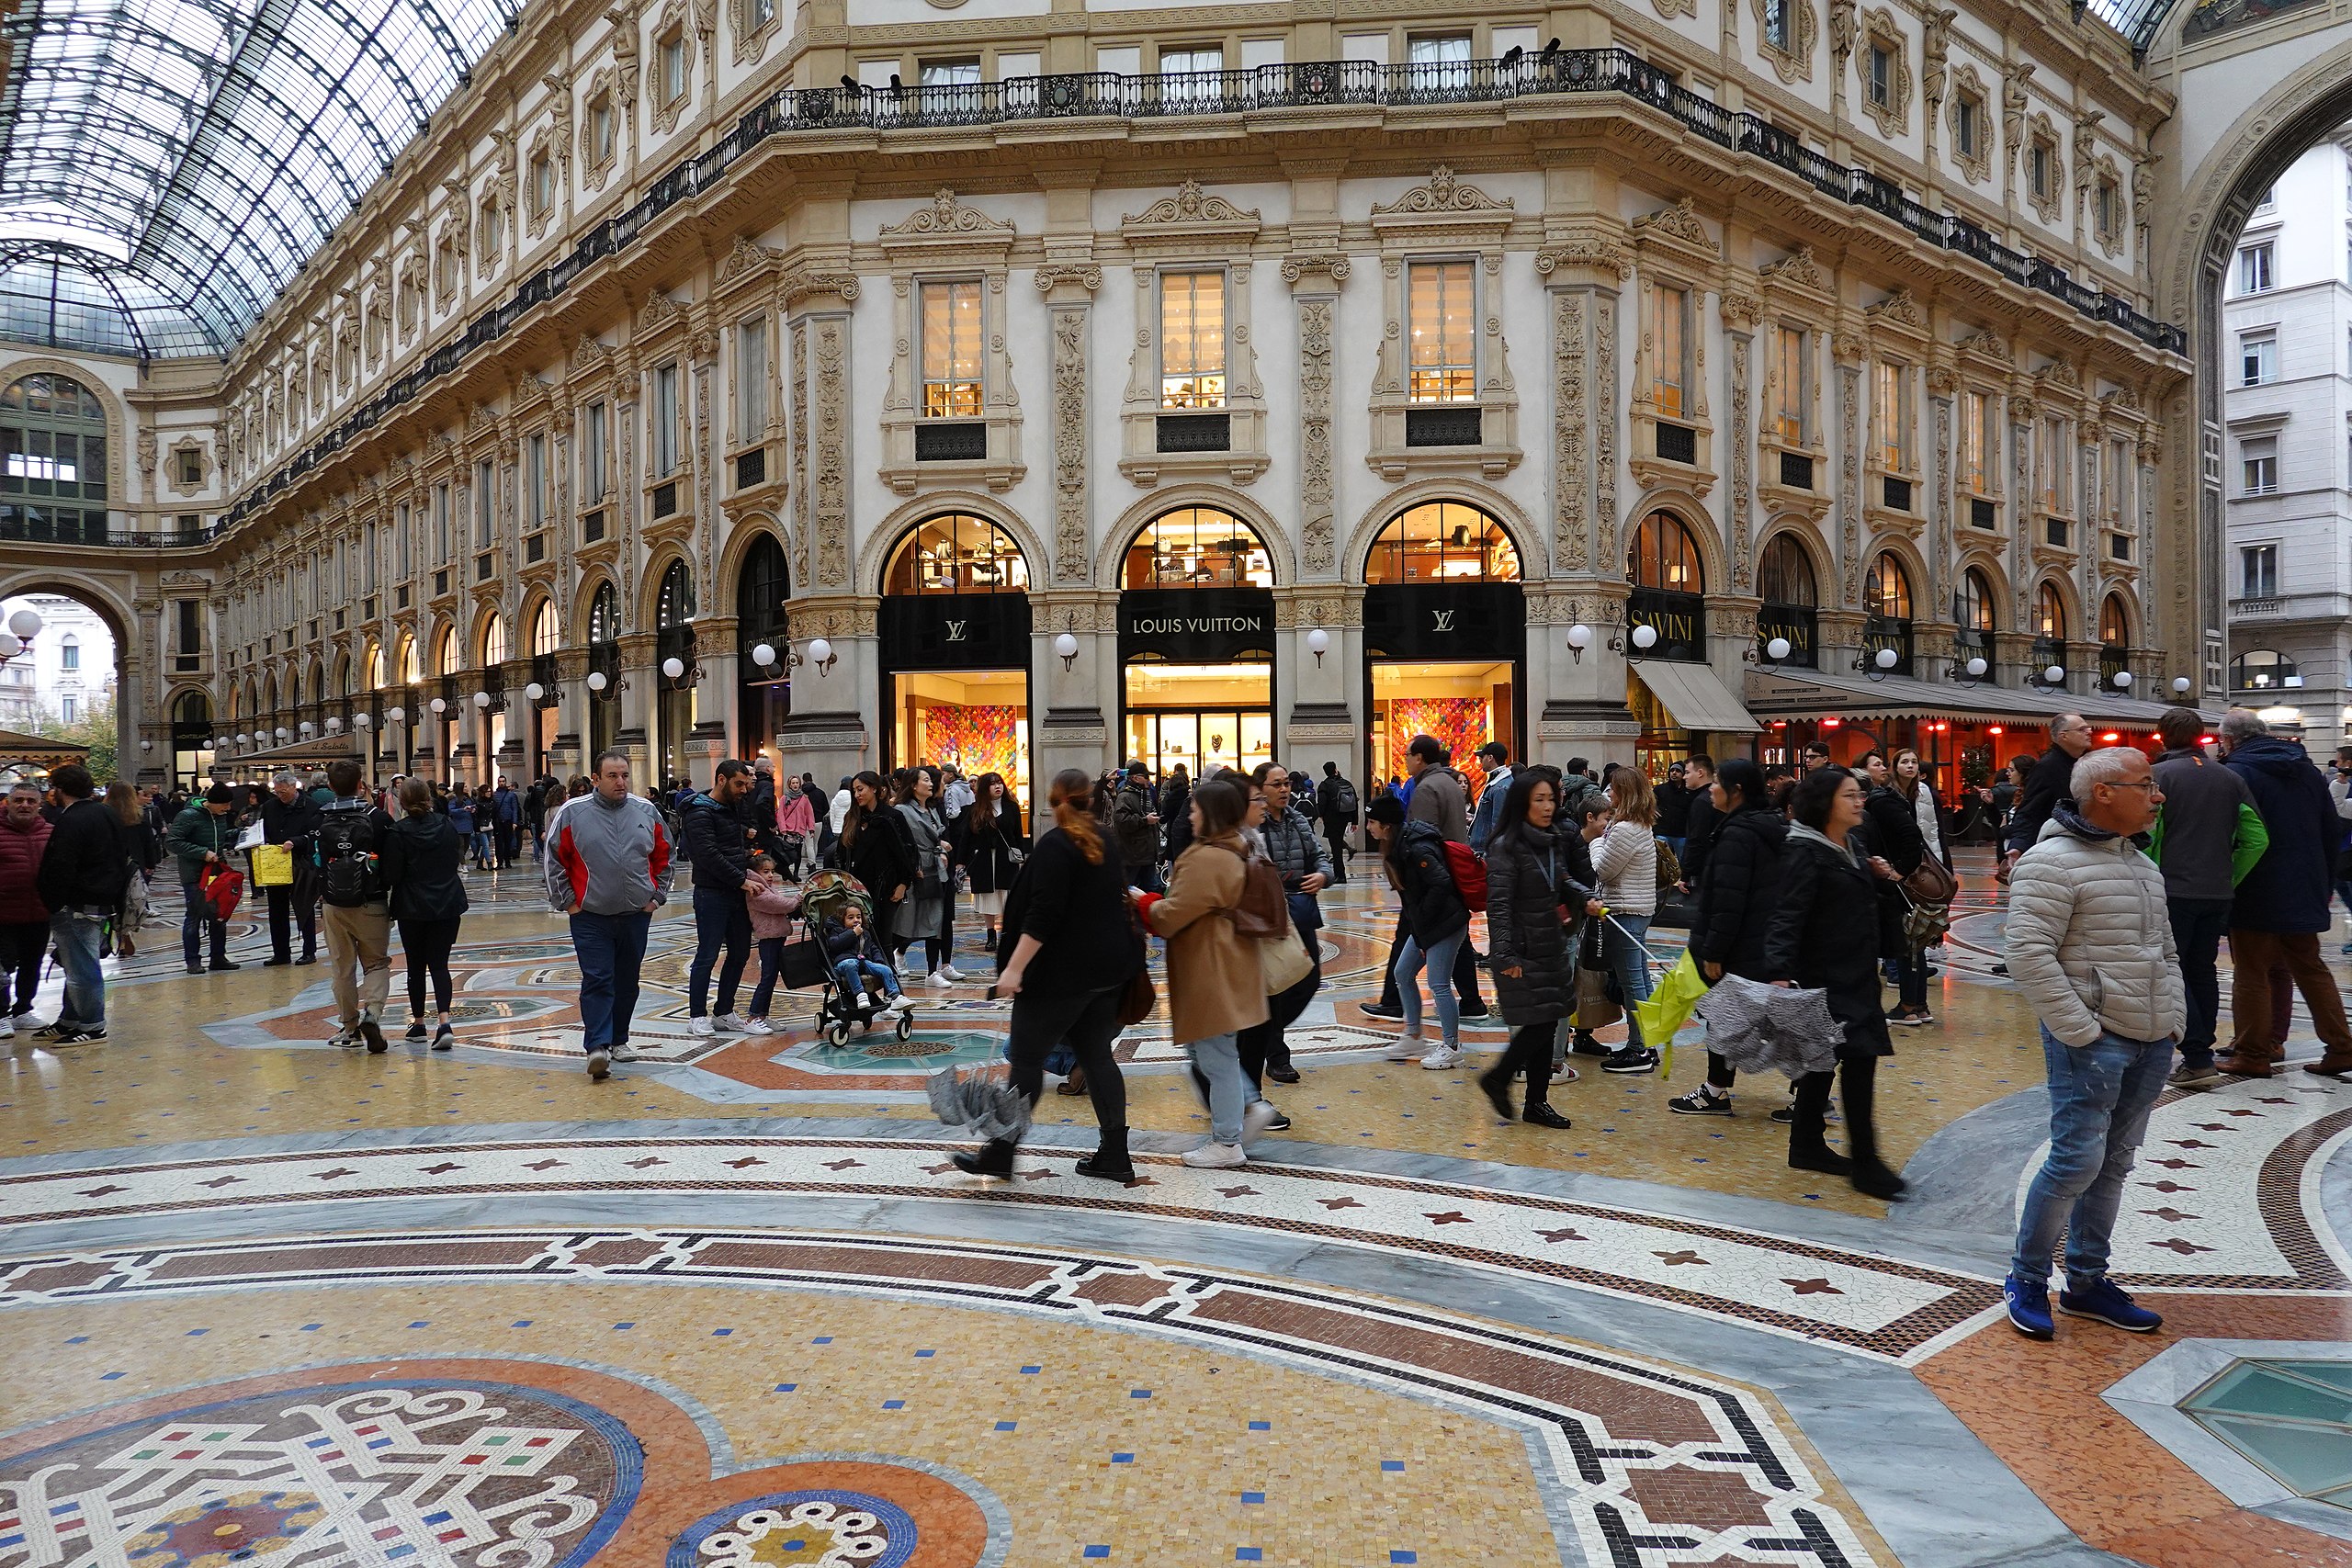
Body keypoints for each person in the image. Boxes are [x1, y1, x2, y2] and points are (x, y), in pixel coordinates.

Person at [2001, 745, 2185, 1340]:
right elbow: (2028, 954)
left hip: (2151, 1036)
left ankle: (2085, 1281)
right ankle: (2027, 1278)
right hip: (2093, 1039)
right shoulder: (2050, 862)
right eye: (2145, 784)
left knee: (2115, 1162)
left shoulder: (2141, 863)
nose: (2157, 795)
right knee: (2076, 1159)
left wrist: (2173, 1018)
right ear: (2103, 792)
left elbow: (2166, 949)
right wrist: (2080, 1028)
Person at [952, 768, 1145, 1181]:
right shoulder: (1104, 840)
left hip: (1060, 978)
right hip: (1107, 973)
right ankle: (1115, 1154)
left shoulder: (1057, 845)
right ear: (1090, 801)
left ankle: (1001, 1152)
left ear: (1056, 802)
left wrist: (1014, 970)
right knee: (1096, 1057)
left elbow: (1043, 916)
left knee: (1025, 1060)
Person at [1762, 766, 1905, 1200]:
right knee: (1859, 1059)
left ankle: (1806, 1143)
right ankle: (1866, 1162)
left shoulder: (1851, 845)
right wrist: (1779, 975)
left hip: (1856, 970)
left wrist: (1876, 876)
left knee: (1821, 1061)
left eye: (1860, 794)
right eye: (1850, 796)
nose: (1860, 801)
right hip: (1825, 977)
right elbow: (1787, 914)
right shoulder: (1804, 851)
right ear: (1825, 803)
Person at [1138, 775, 1274, 1168]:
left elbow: (1172, 915)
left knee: (1216, 1057)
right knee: (1210, 1051)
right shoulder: (1236, 848)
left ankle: (1228, 1141)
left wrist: (1145, 902)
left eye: (1196, 808)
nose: (1190, 815)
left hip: (1210, 967)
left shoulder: (1205, 858)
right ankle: (1248, 1106)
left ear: (1212, 813)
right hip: (1228, 961)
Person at [2215, 708, 2352, 1077]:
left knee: (2252, 971)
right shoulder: (2306, 770)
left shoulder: (2235, 773)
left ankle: (2253, 1053)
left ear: (2228, 740)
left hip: (2256, 885)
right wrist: (2322, 881)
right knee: (2310, 967)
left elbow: (2232, 835)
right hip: (2304, 882)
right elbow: (2331, 827)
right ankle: (2341, 1047)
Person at [2150, 707, 2267, 1089]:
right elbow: (2256, 838)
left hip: (2172, 891)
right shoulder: (2230, 777)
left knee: (2172, 970)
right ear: (2202, 735)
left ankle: (2197, 1056)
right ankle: (2203, 1050)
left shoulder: (2159, 776)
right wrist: (2229, 876)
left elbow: (2150, 836)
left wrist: (2149, 877)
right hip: (2216, 893)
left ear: (2164, 737)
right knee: (2202, 970)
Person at [546, 749, 674, 1080]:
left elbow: (666, 855)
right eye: (613, 776)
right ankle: (597, 1046)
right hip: (591, 915)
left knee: (627, 980)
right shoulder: (573, 812)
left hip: (635, 913)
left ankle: (619, 1039)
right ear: (596, 779)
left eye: (625, 775)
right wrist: (570, 903)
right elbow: (555, 859)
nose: (621, 782)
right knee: (598, 978)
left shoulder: (646, 811)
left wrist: (656, 897)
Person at [1670, 759, 1786, 1116]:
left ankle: (1714, 1092)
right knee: (1765, 1018)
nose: (1711, 789)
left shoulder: (1737, 834)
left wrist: (1714, 951)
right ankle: (1806, 1093)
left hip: (1738, 946)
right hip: (1760, 940)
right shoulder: (1767, 825)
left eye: (1717, 782)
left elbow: (1727, 900)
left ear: (1736, 791)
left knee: (1724, 1016)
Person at [1480, 771, 1587, 1128]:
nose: (1547, 806)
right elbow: (1498, 905)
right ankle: (1498, 1077)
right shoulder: (1505, 846)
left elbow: (1561, 881)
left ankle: (1536, 1103)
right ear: (1521, 803)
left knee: (1549, 1019)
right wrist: (1505, 954)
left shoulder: (1550, 839)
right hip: (1522, 950)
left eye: (1551, 799)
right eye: (1538, 800)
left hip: (1550, 943)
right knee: (1540, 1026)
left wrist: (1582, 897)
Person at [1369, 793, 1474, 1070]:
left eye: (1372, 822)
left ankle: (1452, 1047)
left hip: (1447, 923)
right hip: (1429, 923)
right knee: (1402, 973)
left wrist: (1425, 928)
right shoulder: (1398, 846)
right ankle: (1414, 1035)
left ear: (1387, 826)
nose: (1368, 827)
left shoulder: (1416, 848)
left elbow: (1440, 884)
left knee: (1438, 983)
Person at [1241, 761, 1329, 1090]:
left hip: (1300, 911)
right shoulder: (1253, 824)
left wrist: (1323, 874)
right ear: (1260, 789)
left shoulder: (1299, 819)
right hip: (1269, 915)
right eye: (1276, 784)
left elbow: (1319, 856)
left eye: (1286, 783)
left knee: (1309, 977)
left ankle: (1269, 1037)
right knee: (1273, 986)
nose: (1284, 789)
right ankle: (1277, 1055)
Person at [32, 765, 124, 1046]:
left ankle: (94, 1026)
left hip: (75, 904)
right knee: (77, 964)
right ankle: (70, 1020)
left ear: (59, 790)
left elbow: (61, 865)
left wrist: (53, 900)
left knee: (82, 968)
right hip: (100, 900)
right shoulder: (106, 812)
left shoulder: (71, 820)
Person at [313, 760, 398, 1052]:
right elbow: (393, 861)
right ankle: (372, 1013)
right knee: (376, 962)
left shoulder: (320, 818)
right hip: (372, 900)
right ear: (361, 784)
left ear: (331, 787)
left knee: (342, 968)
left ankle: (350, 1028)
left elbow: (314, 861)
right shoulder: (377, 818)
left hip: (334, 903)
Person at [380, 775, 469, 1050]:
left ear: (402, 802)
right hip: (447, 903)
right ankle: (444, 1022)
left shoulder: (397, 833)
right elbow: (455, 858)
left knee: (416, 966)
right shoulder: (446, 826)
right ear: (429, 799)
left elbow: (391, 875)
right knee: (440, 965)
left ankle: (419, 1023)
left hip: (412, 906)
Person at [679, 759, 757, 1037]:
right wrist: (741, 879)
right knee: (708, 954)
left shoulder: (733, 808)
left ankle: (724, 1011)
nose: (743, 790)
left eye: (746, 785)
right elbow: (707, 855)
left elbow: (734, 846)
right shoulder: (699, 811)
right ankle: (697, 1015)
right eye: (738, 784)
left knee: (740, 953)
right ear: (721, 780)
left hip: (736, 891)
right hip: (712, 892)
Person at [1592, 767, 1663, 1074]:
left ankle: (1640, 1049)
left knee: (1632, 983)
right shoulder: (1641, 823)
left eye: (1614, 789)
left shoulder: (1623, 829)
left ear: (1624, 792)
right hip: (1639, 910)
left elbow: (1604, 870)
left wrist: (1595, 844)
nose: (1610, 793)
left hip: (1625, 912)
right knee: (1640, 981)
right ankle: (1647, 1043)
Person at [1857, 750, 1933, 1028]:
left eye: (1914, 761)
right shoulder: (1898, 798)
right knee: (1914, 942)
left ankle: (1909, 1006)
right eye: (1905, 761)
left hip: (1898, 881)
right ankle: (1917, 1005)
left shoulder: (1884, 802)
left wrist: (1899, 872)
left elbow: (1914, 836)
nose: (1910, 766)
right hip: (1904, 878)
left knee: (1907, 942)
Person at [891, 768, 960, 985]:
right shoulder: (902, 811)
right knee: (908, 921)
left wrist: (939, 850)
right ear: (913, 785)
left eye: (931, 781)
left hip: (935, 870)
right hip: (916, 870)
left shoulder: (931, 810)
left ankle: (933, 972)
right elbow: (902, 841)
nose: (931, 784)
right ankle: (893, 956)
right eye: (926, 780)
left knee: (936, 919)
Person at [165, 783, 243, 976]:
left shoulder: (221, 817)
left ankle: (218, 957)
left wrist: (240, 834)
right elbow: (172, 842)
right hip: (195, 875)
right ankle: (193, 960)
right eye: (224, 804)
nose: (228, 808)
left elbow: (219, 838)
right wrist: (201, 853)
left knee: (219, 914)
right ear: (212, 802)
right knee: (194, 915)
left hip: (217, 874)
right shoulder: (188, 816)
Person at [2003, 714, 2092, 874]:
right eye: (2082, 729)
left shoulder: (2088, 763)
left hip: (2088, 844)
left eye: (2088, 728)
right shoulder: (2048, 767)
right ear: (2063, 735)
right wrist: (2019, 844)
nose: (2089, 732)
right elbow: (2030, 810)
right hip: (2061, 849)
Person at [949, 772, 1023, 953]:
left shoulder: (1011, 807)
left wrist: (1020, 856)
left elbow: (1018, 835)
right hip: (983, 859)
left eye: (1000, 783)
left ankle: (1007, 934)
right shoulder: (975, 809)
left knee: (1008, 896)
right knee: (988, 897)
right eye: (993, 784)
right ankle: (991, 934)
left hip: (1006, 859)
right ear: (985, 788)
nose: (998, 787)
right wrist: (960, 862)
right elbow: (966, 837)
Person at [0, 781, 52, 1034]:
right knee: (3, 964)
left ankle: (23, 1009)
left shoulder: (51, 832)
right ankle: (0, 1013)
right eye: (19, 800)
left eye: (31, 801)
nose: (25, 805)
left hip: (39, 912)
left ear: (39, 805)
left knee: (32, 963)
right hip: (4, 913)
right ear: (8, 803)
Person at [840, 771, 914, 943]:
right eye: (854, 791)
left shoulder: (892, 817)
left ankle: (887, 970)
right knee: (862, 935)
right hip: (858, 886)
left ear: (874, 789)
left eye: (860, 789)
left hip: (887, 885)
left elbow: (906, 851)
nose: (857, 795)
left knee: (883, 936)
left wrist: (904, 883)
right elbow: (842, 852)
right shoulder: (852, 818)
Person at [258, 772, 322, 967]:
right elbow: (262, 830)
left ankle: (309, 951)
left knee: (304, 906)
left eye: (283, 792)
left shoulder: (311, 807)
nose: (280, 796)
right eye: (277, 792)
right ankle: (281, 953)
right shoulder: (269, 807)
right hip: (275, 863)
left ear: (295, 787)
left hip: (301, 864)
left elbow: (317, 835)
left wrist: (296, 841)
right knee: (276, 910)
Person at [739, 852, 803, 1035]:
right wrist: (799, 898)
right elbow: (782, 904)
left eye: (772, 871)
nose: (770, 875)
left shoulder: (765, 887)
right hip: (769, 939)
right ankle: (753, 1017)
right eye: (765, 871)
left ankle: (762, 1015)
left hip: (777, 937)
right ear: (756, 873)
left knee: (772, 977)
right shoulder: (757, 891)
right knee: (767, 978)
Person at [106, 781, 161, 960]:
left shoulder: (105, 815)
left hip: (111, 865)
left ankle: (120, 935)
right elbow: (148, 843)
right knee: (130, 902)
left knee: (112, 903)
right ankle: (125, 932)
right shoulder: (138, 816)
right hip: (135, 866)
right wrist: (151, 864)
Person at [1112, 764, 1161, 893]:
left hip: (1147, 852)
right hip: (1133, 853)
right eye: (1146, 777)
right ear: (1136, 778)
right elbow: (1122, 821)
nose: (1148, 780)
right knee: (1130, 889)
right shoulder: (1125, 796)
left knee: (1151, 888)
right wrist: (1145, 820)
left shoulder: (1145, 794)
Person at [1678, 755, 1719, 893]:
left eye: (1688, 772)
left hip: (1705, 868)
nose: (1684, 777)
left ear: (1700, 773)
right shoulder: (1710, 798)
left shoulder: (1702, 801)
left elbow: (1697, 839)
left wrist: (1686, 873)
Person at [1467, 742, 1515, 854]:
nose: (1480, 762)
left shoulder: (1501, 787)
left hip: (1486, 851)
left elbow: (1498, 824)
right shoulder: (1498, 782)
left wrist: (1491, 854)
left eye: (1481, 758)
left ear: (1490, 758)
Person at [1317, 761, 1358, 885]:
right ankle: (1348, 852)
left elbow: (1322, 803)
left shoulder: (1325, 785)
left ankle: (1340, 875)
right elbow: (1355, 801)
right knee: (1337, 842)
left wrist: (1321, 815)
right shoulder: (1346, 783)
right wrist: (1354, 821)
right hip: (1345, 818)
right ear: (1335, 769)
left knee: (1335, 848)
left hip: (1331, 819)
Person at [775, 778, 816, 880]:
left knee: (798, 853)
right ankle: (786, 871)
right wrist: (782, 827)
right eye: (793, 783)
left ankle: (796, 873)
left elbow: (809, 814)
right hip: (788, 829)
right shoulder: (784, 798)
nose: (795, 785)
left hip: (800, 829)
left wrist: (811, 828)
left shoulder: (804, 798)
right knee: (787, 852)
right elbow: (781, 814)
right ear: (789, 785)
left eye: (797, 783)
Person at [1654, 761, 1692, 859]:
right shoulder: (1660, 790)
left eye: (1678, 771)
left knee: (1682, 861)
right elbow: (1648, 802)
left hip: (1681, 833)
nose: (1674, 773)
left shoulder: (1689, 791)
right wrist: (1652, 810)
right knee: (1664, 862)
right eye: (1672, 770)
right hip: (1663, 832)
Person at [492, 777, 522, 870]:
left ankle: (508, 861)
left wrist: (514, 822)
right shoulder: (495, 795)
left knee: (508, 842)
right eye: (500, 782)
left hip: (508, 821)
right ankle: (499, 862)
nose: (501, 783)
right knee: (499, 843)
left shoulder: (511, 795)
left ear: (505, 782)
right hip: (498, 821)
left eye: (503, 781)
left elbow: (514, 808)